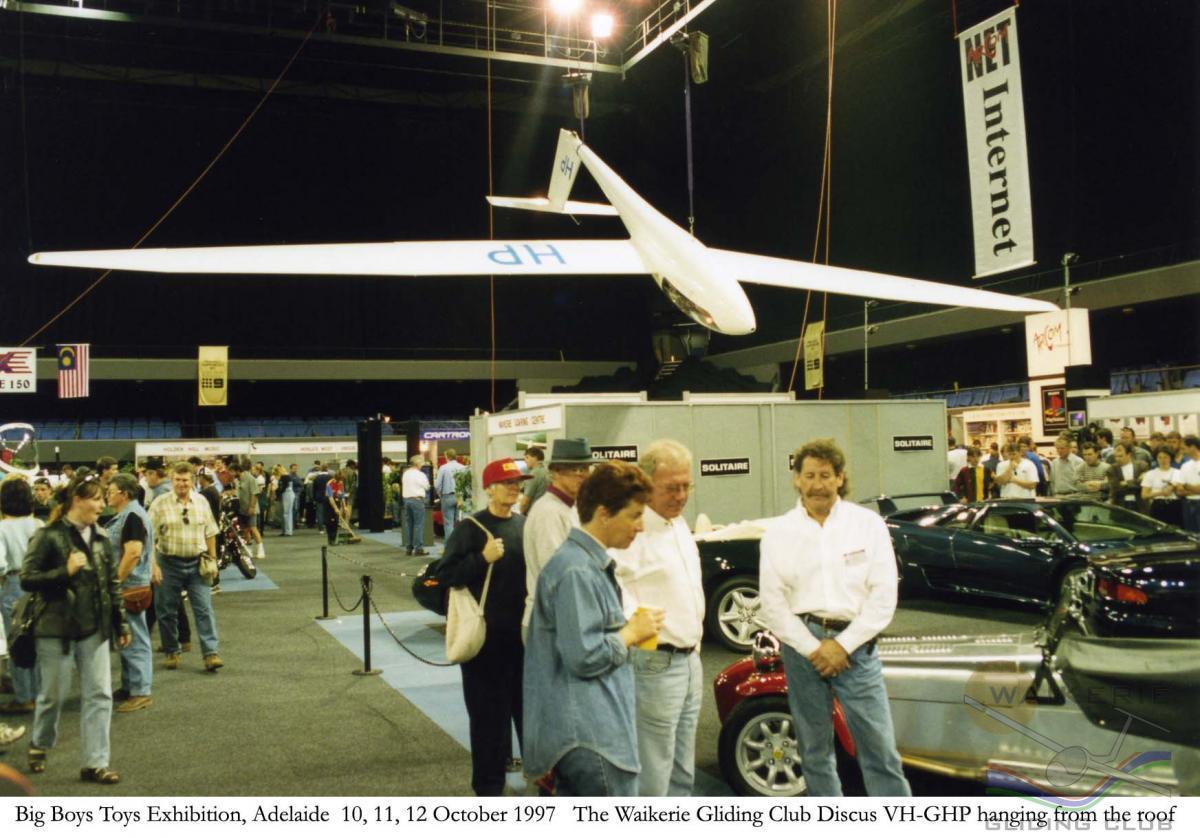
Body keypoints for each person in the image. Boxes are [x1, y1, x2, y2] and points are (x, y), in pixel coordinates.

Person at [758, 438, 911, 796]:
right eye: (810, 475)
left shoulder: (868, 525)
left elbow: (883, 596)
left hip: (857, 648)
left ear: (840, 478)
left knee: (880, 750)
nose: (818, 484)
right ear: (797, 479)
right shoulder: (779, 533)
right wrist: (814, 648)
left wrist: (842, 645)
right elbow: (773, 603)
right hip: (802, 650)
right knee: (814, 750)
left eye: (826, 475)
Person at [523, 461, 662, 796]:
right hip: (593, 738)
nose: (641, 526)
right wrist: (631, 633)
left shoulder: (581, 564)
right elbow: (584, 657)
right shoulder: (578, 571)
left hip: (588, 734)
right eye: (634, 515)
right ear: (604, 514)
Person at [608, 439, 705, 797]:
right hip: (656, 662)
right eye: (671, 488)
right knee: (654, 769)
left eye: (686, 486)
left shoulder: (676, 523)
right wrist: (637, 623)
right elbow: (611, 583)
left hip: (690, 659)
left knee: (682, 768)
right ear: (647, 485)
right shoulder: (634, 528)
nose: (681, 496)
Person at [21, 473, 131, 784]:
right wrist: (64, 571)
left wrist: (120, 621)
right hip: (55, 629)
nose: (102, 504)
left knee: (100, 694)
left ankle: (95, 763)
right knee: (53, 695)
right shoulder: (48, 536)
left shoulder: (101, 537)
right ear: (77, 501)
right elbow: (27, 578)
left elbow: (111, 583)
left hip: (95, 627)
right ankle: (40, 742)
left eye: (103, 498)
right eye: (96, 499)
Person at [436, 458, 530, 796]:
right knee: (488, 724)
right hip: (485, 647)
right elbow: (445, 575)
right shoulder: (471, 529)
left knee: (530, 719)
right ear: (489, 488)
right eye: (507, 482)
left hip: (523, 642)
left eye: (517, 482)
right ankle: (489, 791)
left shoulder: (525, 526)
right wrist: (482, 558)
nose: (514, 488)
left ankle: (540, 781)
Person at [148, 462, 223, 673]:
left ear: (192, 481)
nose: (181, 484)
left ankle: (211, 654)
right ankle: (172, 650)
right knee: (166, 610)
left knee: (204, 609)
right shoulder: (159, 503)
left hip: (197, 564)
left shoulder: (201, 502)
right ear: (172, 480)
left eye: (185, 480)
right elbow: (149, 538)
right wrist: (153, 566)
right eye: (178, 480)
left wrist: (213, 560)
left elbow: (210, 532)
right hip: (168, 563)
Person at [520, 438, 592, 640]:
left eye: (585, 468)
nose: (581, 475)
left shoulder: (570, 508)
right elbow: (558, 575)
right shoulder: (549, 512)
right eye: (573, 469)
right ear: (556, 472)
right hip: (550, 625)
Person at [104, 474, 156, 713]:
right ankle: (129, 686)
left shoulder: (132, 516)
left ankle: (140, 691)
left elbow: (133, 553)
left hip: (130, 587)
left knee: (135, 640)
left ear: (123, 494)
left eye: (110, 491)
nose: (107, 495)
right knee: (127, 639)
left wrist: (114, 581)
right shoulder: (130, 515)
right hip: (130, 586)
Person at [1, 479, 44, 716]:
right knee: (38, 640)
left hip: (14, 583)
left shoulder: (2, 528)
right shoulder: (38, 524)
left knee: (17, 641)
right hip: (40, 583)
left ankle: (24, 696)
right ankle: (39, 693)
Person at [435, 449, 468, 543]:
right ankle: (459, 545)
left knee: (448, 523)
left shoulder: (443, 468)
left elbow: (438, 485)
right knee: (458, 522)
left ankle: (450, 546)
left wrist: (440, 495)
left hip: (447, 496)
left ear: (447, 456)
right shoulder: (463, 467)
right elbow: (466, 485)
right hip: (460, 497)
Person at [234, 461, 265, 560]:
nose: (231, 474)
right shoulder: (237, 480)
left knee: (253, 528)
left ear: (237, 471)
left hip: (251, 509)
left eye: (232, 471)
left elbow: (255, 494)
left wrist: (252, 507)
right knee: (245, 530)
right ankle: (249, 550)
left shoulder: (251, 479)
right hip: (242, 509)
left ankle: (261, 550)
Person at [1141, 449, 1181, 526]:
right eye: (1160, 457)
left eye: (1165, 457)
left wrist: (1174, 487)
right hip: (1158, 505)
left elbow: (1181, 491)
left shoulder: (1178, 473)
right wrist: (1161, 493)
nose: (1163, 460)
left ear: (1170, 458)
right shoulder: (1150, 474)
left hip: (1175, 504)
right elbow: (1144, 495)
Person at [401, 456, 430, 557]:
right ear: (417, 463)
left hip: (407, 501)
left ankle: (409, 548)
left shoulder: (406, 474)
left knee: (409, 525)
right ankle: (418, 548)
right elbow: (427, 486)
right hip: (417, 501)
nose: (422, 464)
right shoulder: (420, 474)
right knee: (418, 525)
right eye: (422, 462)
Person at [1107, 443, 1148, 511]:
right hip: (1120, 504)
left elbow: (1144, 485)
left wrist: (1126, 483)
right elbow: (1116, 488)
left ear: (1129, 455)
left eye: (1120, 456)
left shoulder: (1142, 466)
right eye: (1115, 456)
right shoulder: (1112, 469)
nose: (1117, 459)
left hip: (1140, 505)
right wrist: (1136, 482)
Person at [1174, 436, 1200, 533]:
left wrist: (1186, 486)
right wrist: (1194, 490)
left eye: (1183, 447)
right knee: (1191, 535)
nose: (1181, 450)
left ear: (1192, 447)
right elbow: (1179, 491)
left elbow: (1183, 486)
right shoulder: (1184, 466)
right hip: (1188, 505)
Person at [518, 447, 549, 514]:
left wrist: (520, 514)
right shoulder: (546, 472)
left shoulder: (533, 474)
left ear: (535, 458)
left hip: (532, 514)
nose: (525, 461)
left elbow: (525, 502)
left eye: (527, 457)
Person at [276, 465, 296, 537]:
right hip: (286, 494)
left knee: (287, 513)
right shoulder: (284, 477)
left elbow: (283, 487)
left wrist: (277, 492)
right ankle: (285, 530)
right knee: (285, 513)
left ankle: (288, 531)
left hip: (287, 494)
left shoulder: (285, 477)